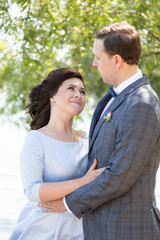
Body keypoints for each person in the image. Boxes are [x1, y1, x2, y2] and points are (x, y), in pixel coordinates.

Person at [39, 22, 160, 239]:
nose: (94, 64)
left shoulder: (142, 103)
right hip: (102, 227)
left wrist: (66, 203)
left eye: (98, 57)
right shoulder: (116, 98)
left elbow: (119, 176)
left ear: (116, 60)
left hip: (127, 229)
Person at [9, 68, 106, 240]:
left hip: (78, 232)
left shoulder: (89, 141)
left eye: (82, 91)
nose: (78, 95)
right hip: (39, 231)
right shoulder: (36, 139)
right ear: (52, 97)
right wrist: (82, 182)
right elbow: (32, 191)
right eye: (71, 88)